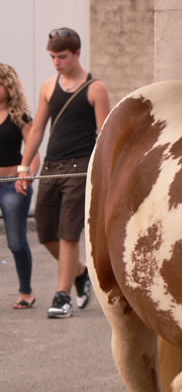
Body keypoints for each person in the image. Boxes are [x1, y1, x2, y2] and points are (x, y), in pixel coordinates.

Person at [16, 27, 110, 319]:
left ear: (77, 54)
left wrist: (103, 174)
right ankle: (79, 273)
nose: (56, 62)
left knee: (69, 233)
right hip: (51, 168)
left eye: (62, 56)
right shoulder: (48, 87)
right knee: (45, 232)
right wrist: (24, 167)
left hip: (80, 169)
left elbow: (105, 133)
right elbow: (37, 130)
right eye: (53, 56)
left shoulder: (96, 88)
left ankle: (62, 296)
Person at [0, 64, 40, 309]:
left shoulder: (20, 116)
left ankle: (26, 292)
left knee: (16, 242)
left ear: (9, 85)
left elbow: (33, 152)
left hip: (12, 186)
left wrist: (26, 176)